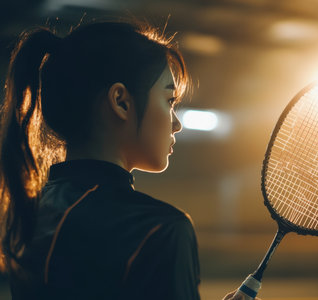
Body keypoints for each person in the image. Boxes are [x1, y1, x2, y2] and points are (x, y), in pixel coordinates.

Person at [0, 20, 255, 299]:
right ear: (121, 101)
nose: (177, 124)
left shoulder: (29, 215)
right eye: (169, 100)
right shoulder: (161, 229)